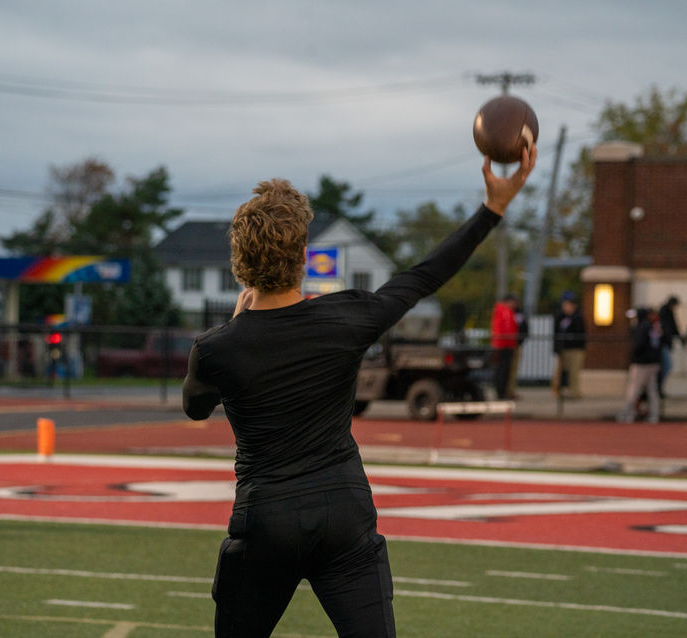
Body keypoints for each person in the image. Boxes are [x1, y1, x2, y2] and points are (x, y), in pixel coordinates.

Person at [183, 148, 536, 638]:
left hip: (267, 519)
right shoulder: (346, 319)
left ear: (239, 261)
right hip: (343, 512)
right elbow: (424, 275)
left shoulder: (216, 348)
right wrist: (492, 209)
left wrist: (235, 327)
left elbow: (195, 407)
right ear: (303, 256)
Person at [617, 307, 663, 423]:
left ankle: (628, 413)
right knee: (652, 390)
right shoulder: (653, 326)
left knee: (634, 389)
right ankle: (654, 415)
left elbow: (638, 345)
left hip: (642, 363)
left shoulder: (642, 327)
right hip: (654, 362)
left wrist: (633, 357)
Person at [551, 291, 586, 399]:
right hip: (563, 349)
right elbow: (556, 333)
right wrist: (557, 348)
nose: (566, 306)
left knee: (573, 372)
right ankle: (558, 391)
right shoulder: (560, 317)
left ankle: (574, 392)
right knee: (559, 372)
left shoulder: (578, 317)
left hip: (575, 349)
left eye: (568, 304)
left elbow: (580, 333)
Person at [490, 294, 518, 399]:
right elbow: (504, 328)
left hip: (507, 344)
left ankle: (503, 392)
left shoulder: (507, 312)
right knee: (502, 370)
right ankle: (500, 393)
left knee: (506, 370)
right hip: (503, 345)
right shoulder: (503, 311)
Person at [657, 295, 683, 398]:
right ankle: (658, 387)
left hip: (665, 344)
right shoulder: (665, 313)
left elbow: (674, 327)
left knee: (666, 366)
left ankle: (659, 387)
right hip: (663, 344)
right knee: (666, 366)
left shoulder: (667, 312)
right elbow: (671, 327)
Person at [505, 293, 528, 399]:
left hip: (515, 345)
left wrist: (520, 340)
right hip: (506, 345)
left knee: (513, 370)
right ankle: (505, 390)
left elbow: (525, 327)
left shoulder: (519, 313)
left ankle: (510, 390)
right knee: (506, 369)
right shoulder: (505, 312)